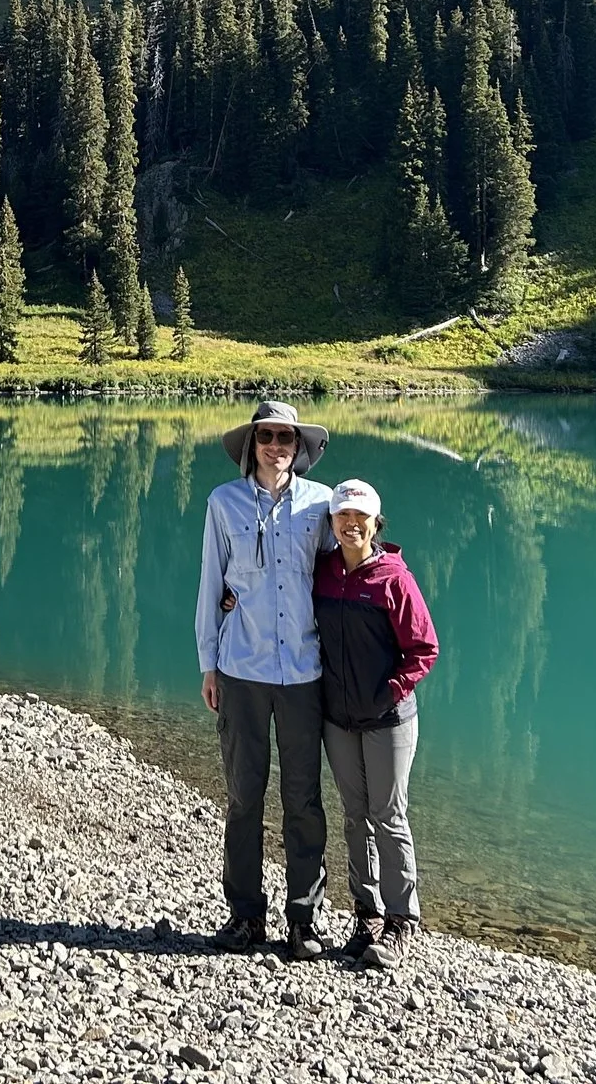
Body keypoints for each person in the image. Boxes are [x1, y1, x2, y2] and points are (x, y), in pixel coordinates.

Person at [195, 398, 335, 958]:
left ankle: (305, 917)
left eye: (286, 437)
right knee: (243, 796)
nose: (276, 446)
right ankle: (245, 916)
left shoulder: (322, 506)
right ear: (251, 444)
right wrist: (208, 662)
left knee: (304, 797)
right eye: (267, 437)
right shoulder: (223, 503)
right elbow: (211, 584)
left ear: (299, 447)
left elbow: (341, 577)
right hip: (241, 670)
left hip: (304, 671)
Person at [313, 477, 437, 968]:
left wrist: (388, 691)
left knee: (389, 815)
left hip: (387, 720)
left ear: (375, 523)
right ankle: (366, 914)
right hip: (339, 720)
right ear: (332, 522)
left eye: (360, 517)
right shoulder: (322, 573)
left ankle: (402, 921)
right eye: (342, 516)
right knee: (353, 814)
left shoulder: (393, 579)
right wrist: (230, 600)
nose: (350, 524)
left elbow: (424, 649)